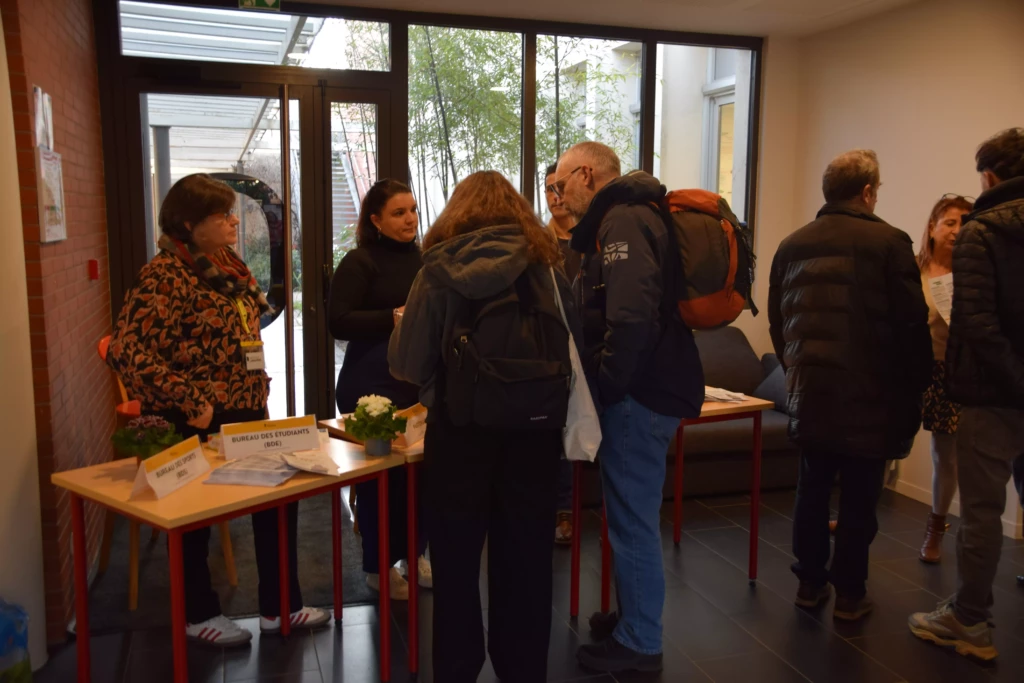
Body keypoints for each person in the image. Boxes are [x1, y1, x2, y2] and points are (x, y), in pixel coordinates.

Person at [107, 174, 330, 647]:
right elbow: (127, 351)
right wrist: (192, 401)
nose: (234, 220)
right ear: (189, 224)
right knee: (194, 518)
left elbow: (245, 326)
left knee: (275, 501)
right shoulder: (163, 276)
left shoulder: (227, 264)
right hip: (194, 416)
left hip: (246, 407)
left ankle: (281, 609)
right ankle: (198, 615)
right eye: (222, 215)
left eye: (232, 212)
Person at [389, 171, 581, 683]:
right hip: (535, 431)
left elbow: (408, 363)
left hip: (460, 431)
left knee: (454, 563)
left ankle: (457, 668)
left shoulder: (437, 271)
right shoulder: (546, 268)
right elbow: (572, 346)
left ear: (458, 211)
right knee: (527, 562)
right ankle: (522, 669)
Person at [555, 142, 704, 674]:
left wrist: (609, 386)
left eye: (560, 183)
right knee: (628, 516)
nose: (558, 195)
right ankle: (631, 617)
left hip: (639, 395)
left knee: (633, 522)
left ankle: (641, 641)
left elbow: (632, 316)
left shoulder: (621, 220)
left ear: (586, 174)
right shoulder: (636, 215)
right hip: (651, 388)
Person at [768, 150, 931, 622]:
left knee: (812, 491)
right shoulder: (889, 242)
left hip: (811, 392)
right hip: (872, 396)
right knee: (860, 498)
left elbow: (781, 323)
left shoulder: (792, 244)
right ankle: (851, 595)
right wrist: (917, 382)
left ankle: (809, 584)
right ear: (867, 192)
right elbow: (911, 323)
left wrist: (797, 368)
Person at [909, 128, 1024, 661]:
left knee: (981, 510)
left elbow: (976, 324)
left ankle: (970, 620)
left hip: (993, 394)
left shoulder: (983, 233)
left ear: (989, 176)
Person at [328, 179, 430, 600]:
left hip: (415, 380)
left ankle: (415, 554)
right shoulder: (359, 262)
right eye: (398, 213)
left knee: (420, 477)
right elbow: (339, 321)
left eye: (412, 210)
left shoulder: (427, 260)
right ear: (375, 220)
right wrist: (394, 316)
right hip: (369, 385)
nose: (409, 219)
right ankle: (377, 565)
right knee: (379, 482)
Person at [916, 194, 974, 563]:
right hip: (908, 368)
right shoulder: (911, 269)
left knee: (945, 455)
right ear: (933, 227)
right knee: (884, 445)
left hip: (949, 372)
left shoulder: (972, 274)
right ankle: (857, 515)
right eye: (950, 222)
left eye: (964, 223)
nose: (956, 230)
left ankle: (935, 530)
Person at [544, 162, 582, 545]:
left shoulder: (593, 239)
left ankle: (573, 512)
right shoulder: (537, 242)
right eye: (548, 190)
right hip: (550, 352)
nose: (555, 198)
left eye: (560, 189)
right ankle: (557, 512)